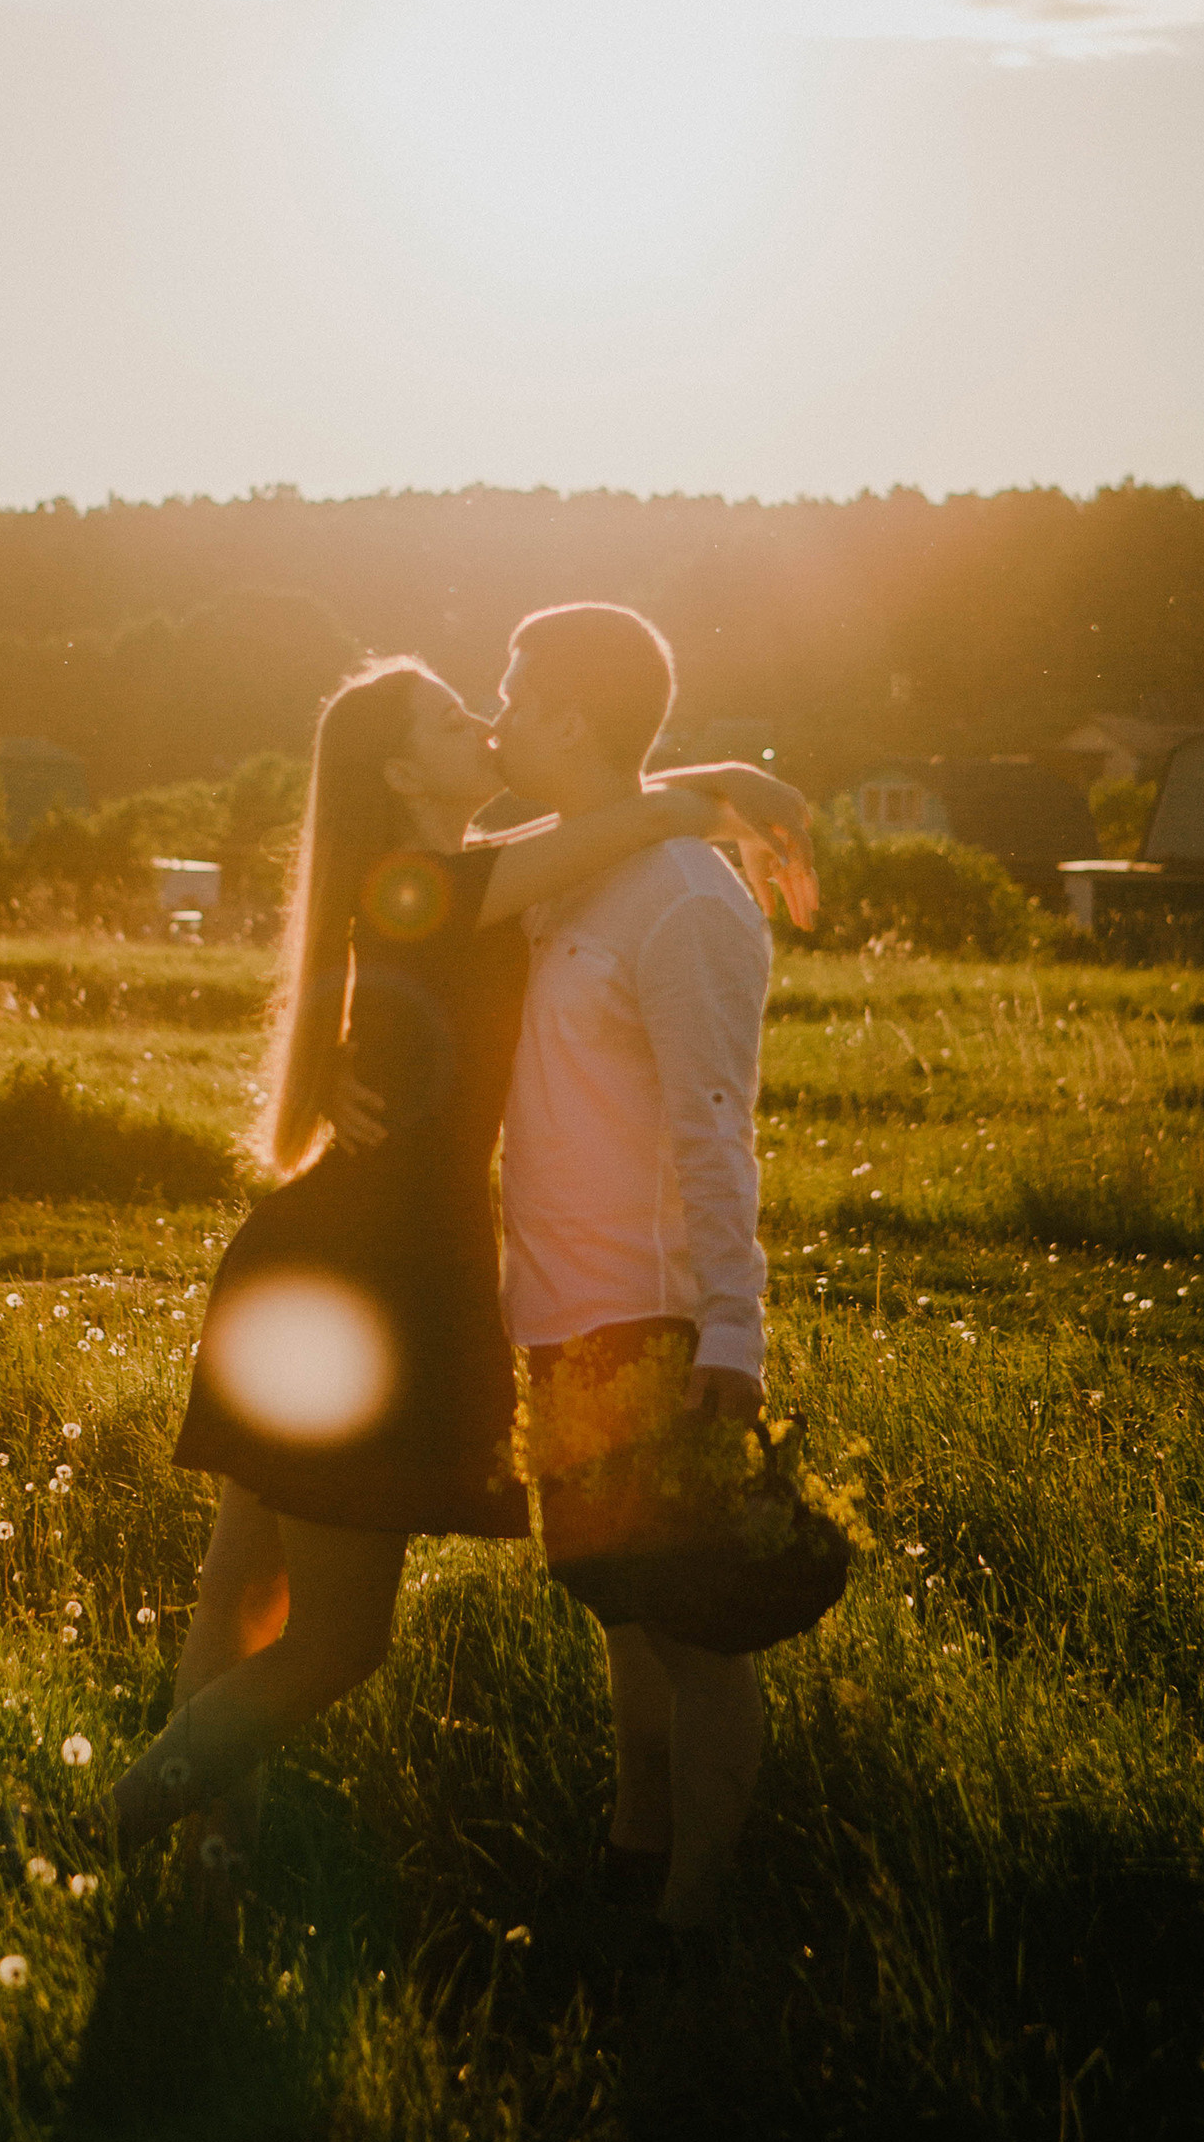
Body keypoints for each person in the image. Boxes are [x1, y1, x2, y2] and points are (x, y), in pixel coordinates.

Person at [107, 652, 808, 1861]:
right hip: (358, 1277)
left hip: (331, 1254)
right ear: (397, 769)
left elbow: (598, 812)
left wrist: (707, 780)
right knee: (333, 1640)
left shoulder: (452, 878)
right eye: (450, 716)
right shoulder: (429, 883)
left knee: (243, 1586)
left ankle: (207, 1872)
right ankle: (127, 1816)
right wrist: (718, 785)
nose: (482, 720)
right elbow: (626, 813)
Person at [484, 602, 782, 1933]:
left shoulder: (686, 898)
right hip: (561, 1317)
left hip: (652, 1315)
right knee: (624, 1612)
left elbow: (714, 1119)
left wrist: (733, 1327)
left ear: (566, 714)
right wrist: (705, 787)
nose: (495, 711)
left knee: (695, 1626)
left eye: (512, 687)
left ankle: (693, 1923)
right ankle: (633, 1853)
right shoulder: (575, 864)